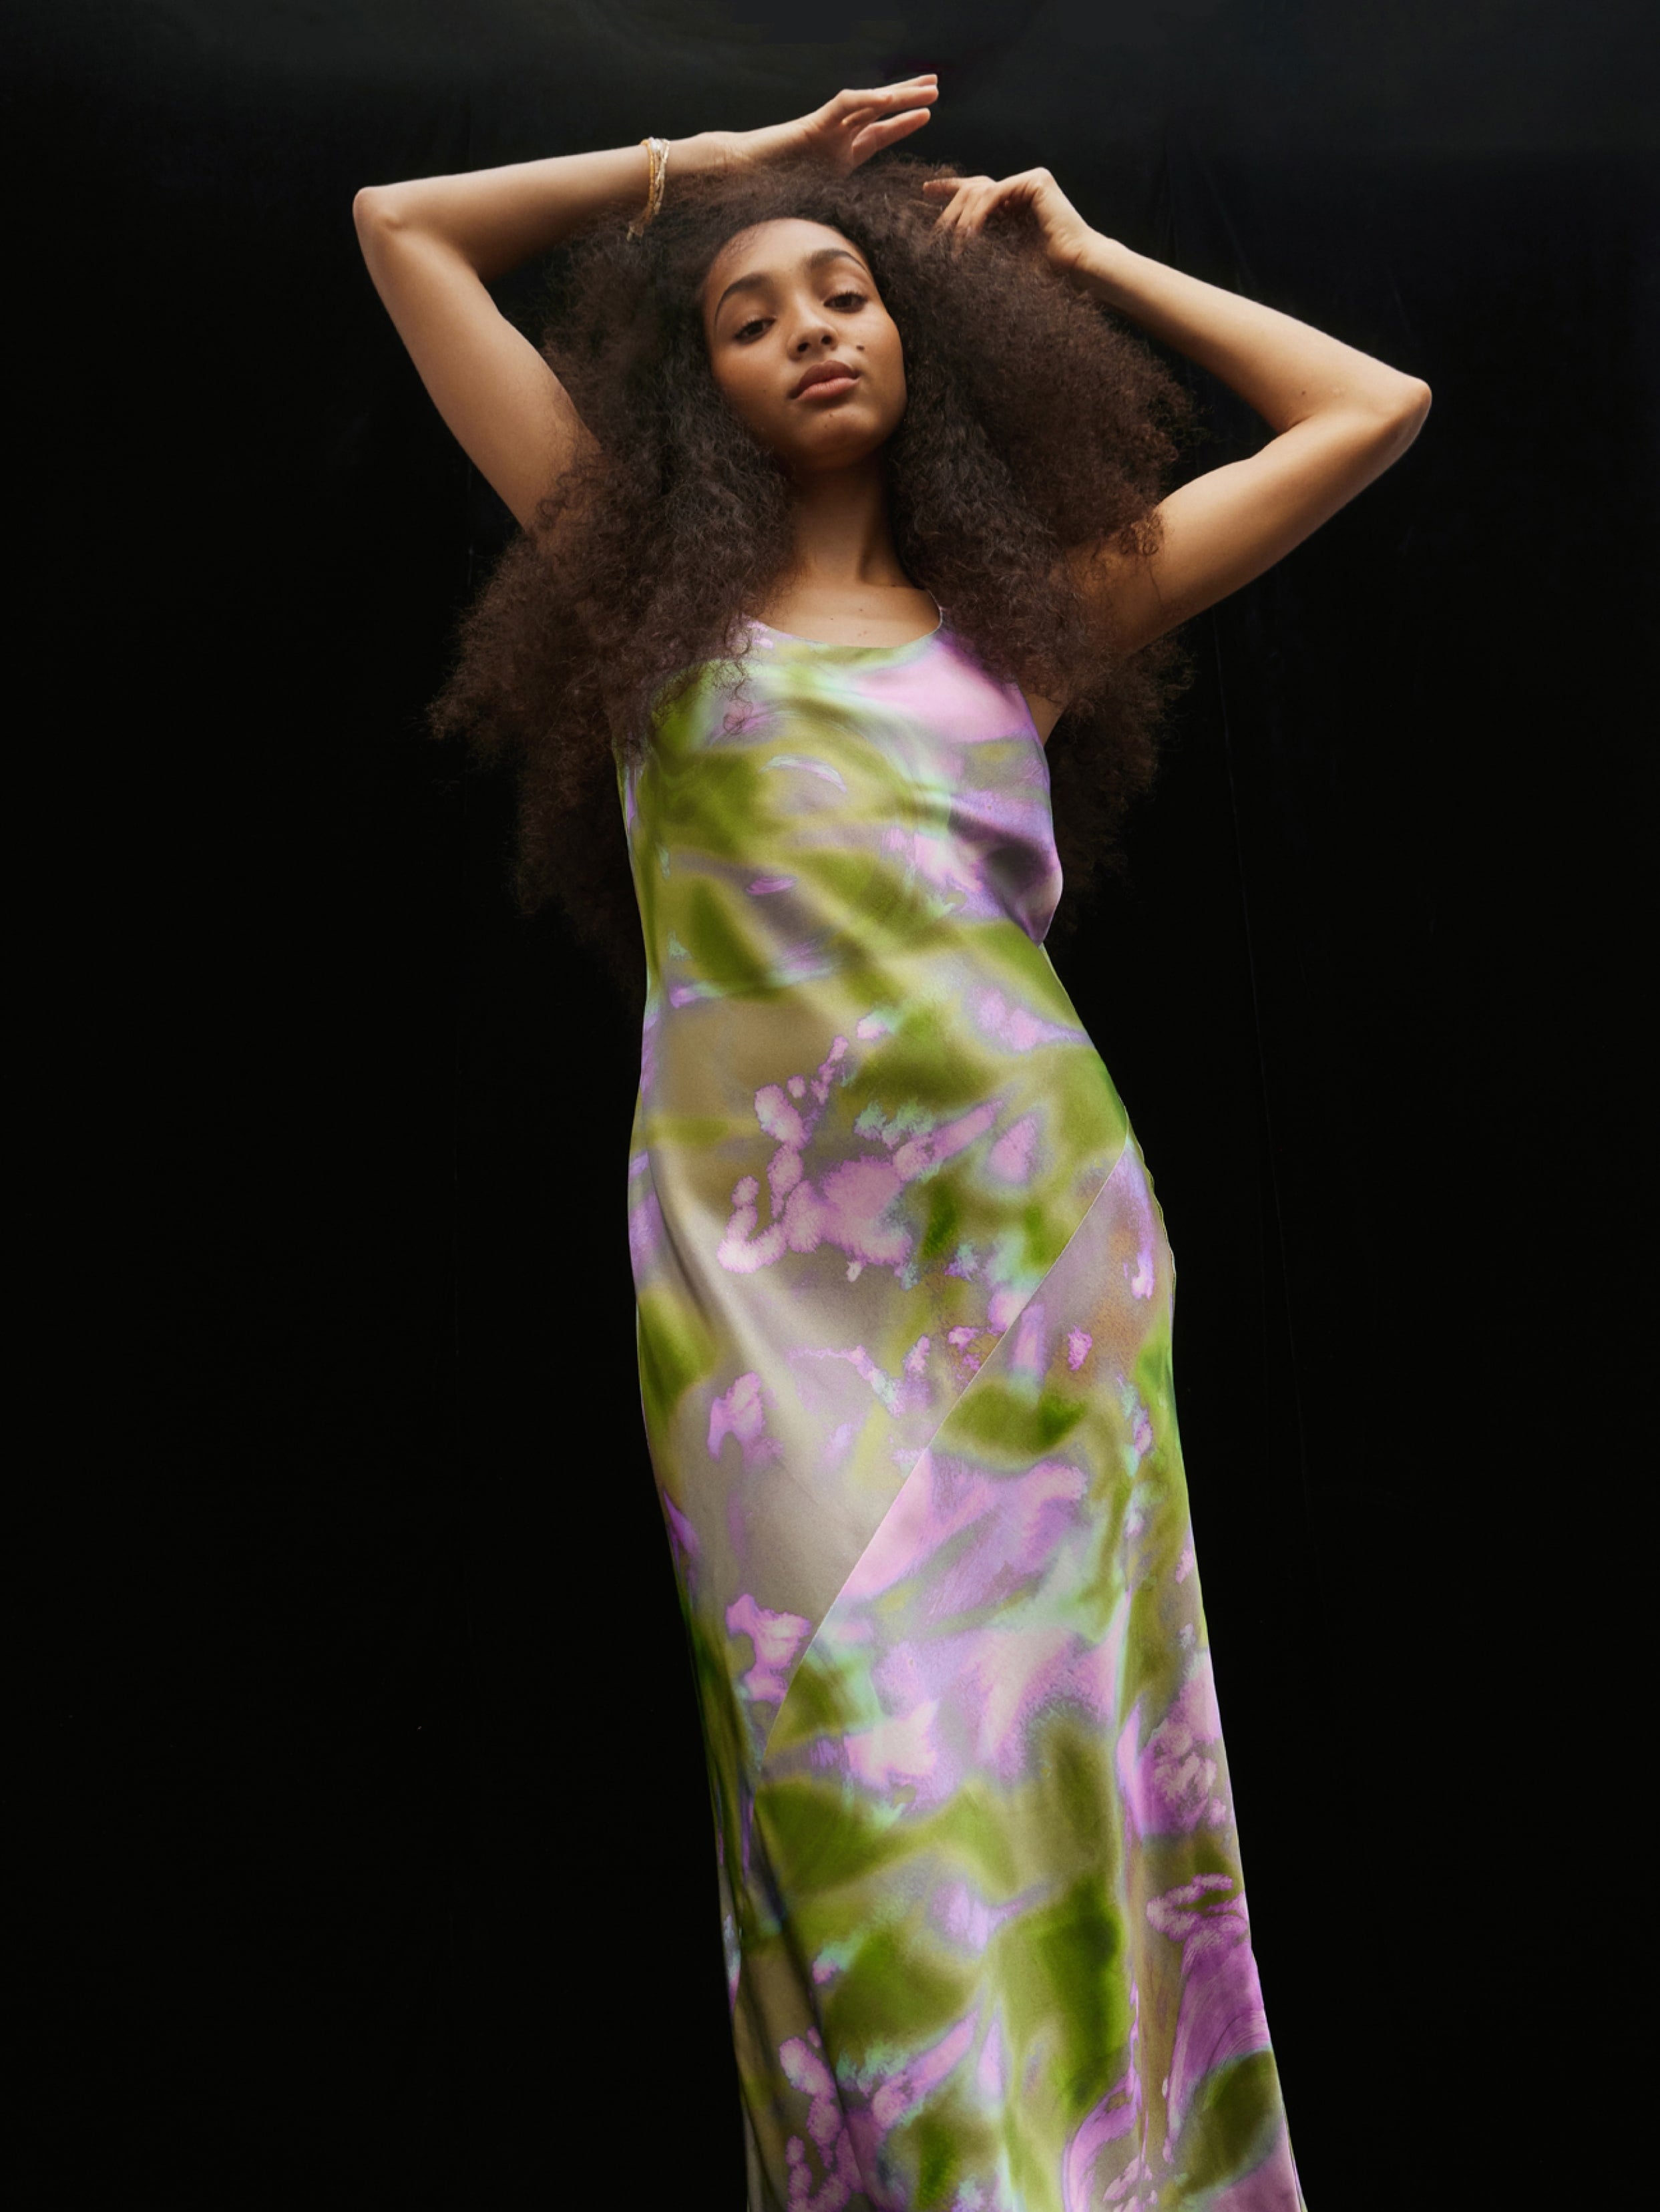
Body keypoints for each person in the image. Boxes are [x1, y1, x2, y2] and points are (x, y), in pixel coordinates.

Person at [355, 74, 1427, 2210]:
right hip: (761, 1315)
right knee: (854, 1796)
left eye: (847, 292)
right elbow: (405, 227)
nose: (813, 330)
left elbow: (1370, 408)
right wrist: (719, 171)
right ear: (696, 387)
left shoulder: (1032, 623)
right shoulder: (640, 594)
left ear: (928, 338)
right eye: (750, 316)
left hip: (1039, 1263)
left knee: (1069, 1793)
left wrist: (1088, 258)